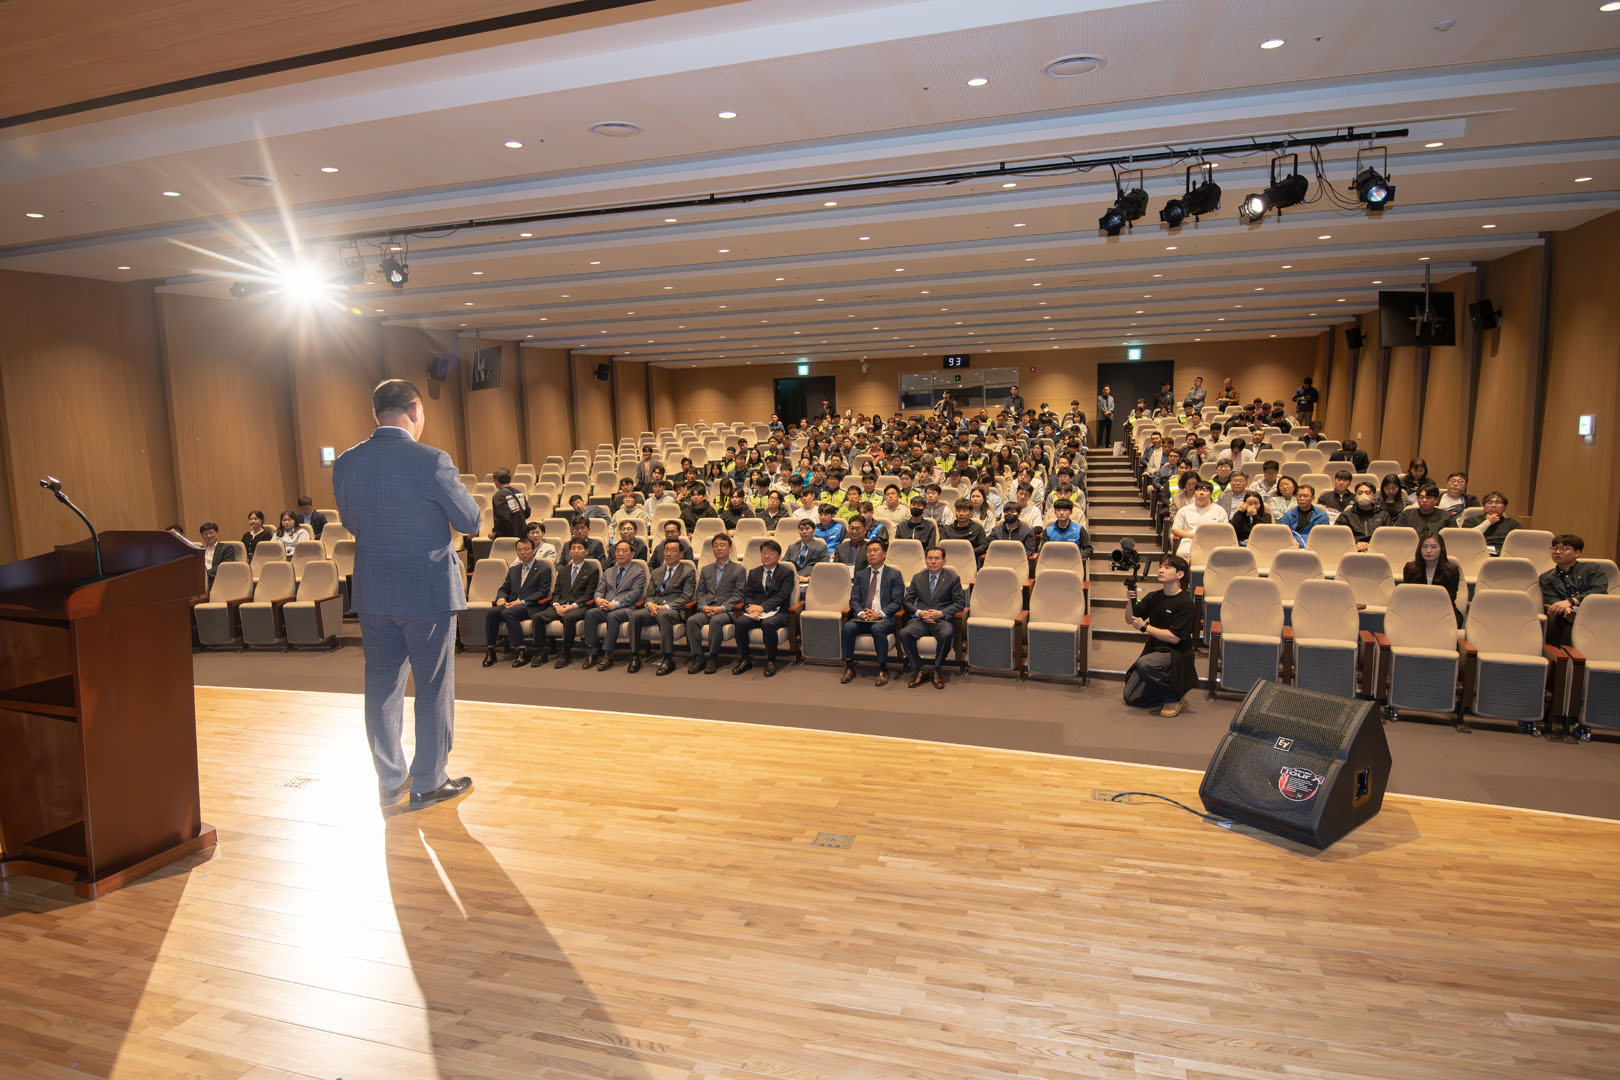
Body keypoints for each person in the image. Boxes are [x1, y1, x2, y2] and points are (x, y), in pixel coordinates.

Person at [333, 378, 480, 810]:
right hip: (427, 589)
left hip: (374, 589)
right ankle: (429, 781)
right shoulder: (432, 460)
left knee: (381, 685)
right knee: (433, 685)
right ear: (415, 410)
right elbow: (470, 520)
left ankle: (390, 780)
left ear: (374, 413)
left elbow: (351, 522)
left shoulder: (346, 462)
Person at [1122, 554, 1198, 717]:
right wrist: (1130, 600)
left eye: (1167, 567)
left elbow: (1175, 638)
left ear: (1180, 574)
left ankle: (1174, 696)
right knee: (1131, 697)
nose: (1161, 570)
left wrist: (1145, 627)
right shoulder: (1153, 597)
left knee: (1145, 664)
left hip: (1176, 653)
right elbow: (1130, 619)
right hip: (1155, 650)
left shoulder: (1186, 603)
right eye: (1160, 566)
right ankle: (1169, 686)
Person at [898, 546, 966, 688]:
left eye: (936, 558)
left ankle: (937, 669)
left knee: (946, 633)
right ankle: (919, 669)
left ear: (944, 561)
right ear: (925, 560)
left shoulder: (953, 578)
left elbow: (960, 603)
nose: (933, 561)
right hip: (921, 619)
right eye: (930, 558)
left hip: (941, 619)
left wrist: (940, 613)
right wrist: (919, 613)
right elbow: (907, 601)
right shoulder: (918, 578)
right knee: (904, 633)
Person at [841, 540, 905, 685]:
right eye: (869, 551)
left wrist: (879, 613)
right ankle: (849, 665)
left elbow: (897, 601)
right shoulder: (861, 575)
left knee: (877, 628)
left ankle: (883, 667)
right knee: (848, 628)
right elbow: (854, 600)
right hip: (864, 617)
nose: (871, 554)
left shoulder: (894, 575)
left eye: (875, 550)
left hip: (884, 618)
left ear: (884, 554)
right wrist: (860, 613)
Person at [482, 536, 552, 667]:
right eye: (519, 550)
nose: (522, 553)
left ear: (534, 550)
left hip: (530, 606)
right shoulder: (514, 569)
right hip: (511, 604)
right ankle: (490, 650)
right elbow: (504, 588)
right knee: (491, 612)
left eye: (526, 549)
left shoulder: (543, 569)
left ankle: (521, 650)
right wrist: (501, 598)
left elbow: (542, 592)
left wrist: (522, 602)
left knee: (508, 613)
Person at [631, 540, 697, 675]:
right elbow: (649, 594)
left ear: (681, 554)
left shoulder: (688, 571)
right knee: (635, 615)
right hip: (655, 607)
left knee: (663, 615)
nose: (669, 553)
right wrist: (650, 604)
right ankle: (634, 656)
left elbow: (686, 597)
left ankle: (668, 658)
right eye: (666, 550)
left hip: (674, 609)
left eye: (673, 550)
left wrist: (666, 607)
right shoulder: (656, 572)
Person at [732, 540, 796, 677]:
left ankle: (771, 660)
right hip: (756, 612)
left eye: (771, 553)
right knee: (740, 622)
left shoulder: (787, 573)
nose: (767, 556)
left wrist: (762, 608)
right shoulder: (754, 572)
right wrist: (750, 609)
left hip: (779, 612)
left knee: (768, 624)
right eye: (764, 553)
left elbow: (782, 595)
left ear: (779, 556)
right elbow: (747, 594)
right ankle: (745, 659)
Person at [686, 534, 746, 673]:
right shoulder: (706, 569)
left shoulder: (739, 569)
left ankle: (713, 657)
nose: (719, 548)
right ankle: (698, 656)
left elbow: (738, 594)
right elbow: (700, 592)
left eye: (722, 545)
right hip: (707, 608)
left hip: (726, 610)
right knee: (692, 620)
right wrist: (703, 606)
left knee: (716, 621)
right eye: (715, 546)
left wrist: (722, 608)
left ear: (730, 548)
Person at [538, 538, 601, 668]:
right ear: (569, 551)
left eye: (579, 548)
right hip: (560, 605)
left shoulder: (592, 570)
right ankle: (542, 651)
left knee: (568, 617)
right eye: (573, 548)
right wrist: (557, 605)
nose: (576, 551)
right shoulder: (563, 571)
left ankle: (566, 653)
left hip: (579, 607)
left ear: (586, 551)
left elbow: (588, 595)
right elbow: (556, 593)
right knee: (538, 617)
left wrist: (571, 607)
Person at [1540, 534, 1609, 647]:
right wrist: (1562, 607)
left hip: (1595, 613)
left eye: (1564, 549)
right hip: (1565, 618)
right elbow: (1551, 598)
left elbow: (1599, 590)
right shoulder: (1546, 578)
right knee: (1567, 623)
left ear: (1577, 553)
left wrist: (1571, 601)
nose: (1557, 552)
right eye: (1554, 548)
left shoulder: (1592, 569)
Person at [1401, 532, 1464, 627]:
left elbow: (1449, 599)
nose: (1428, 550)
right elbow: (1408, 597)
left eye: (1434, 547)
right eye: (1424, 547)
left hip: (1444, 611)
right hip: (1417, 610)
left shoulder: (1452, 571)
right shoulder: (1410, 569)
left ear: (1442, 549)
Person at [1171, 482, 1229, 556]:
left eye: (1205, 490)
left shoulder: (1219, 510)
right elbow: (1175, 529)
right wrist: (1192, 536)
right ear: (1194, 493)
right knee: (1182, 553)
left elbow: (1225, 530)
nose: (1201, 493)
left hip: (1213, 541)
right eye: (1198, 490)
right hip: (1190, 541)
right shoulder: (1184, 510)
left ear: (1211, 494)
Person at [1340, 482, 1389, 550]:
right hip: (1352, 548)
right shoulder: (1346, 515)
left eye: (1367, 493)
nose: (1363, 495)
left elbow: (1389, 535)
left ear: (1374, 496)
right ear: (1355, 496)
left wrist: (1371, 544)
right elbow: (1340, 535)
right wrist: (1356, 543)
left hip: (1378, 548)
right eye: (1360, 493)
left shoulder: (1383, 515)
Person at [941, 497, 989, 562]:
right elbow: (942, 546)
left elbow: (984, 546)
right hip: (950, 558)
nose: (961, 514)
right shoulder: (947, 529)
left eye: (964, 511)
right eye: (958, 510)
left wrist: (970, 552)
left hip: (971, 558)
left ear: (971, 512)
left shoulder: (978, 528)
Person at [1474, 490, 1521, 555]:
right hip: (1479, 553)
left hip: (1505, 554)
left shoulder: (1513, 524)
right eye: (1489, 502)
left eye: (1498, 502)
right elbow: (1469, 537)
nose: (1493, 505)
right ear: (1484, 506)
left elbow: (1518, 544)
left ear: (1505, 507)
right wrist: (1488, 522)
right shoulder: (1472, 520)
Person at [489, 468, 530, 538]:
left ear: (496, 480)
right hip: (522, 533)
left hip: (507, 535)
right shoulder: (519, 493)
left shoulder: (498, 496)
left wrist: (495, 532)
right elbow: (527, 513)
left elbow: (503, 518)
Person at [196, 522, 236, 588]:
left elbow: (225, 566)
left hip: (216, 578)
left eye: (211, 533)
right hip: (200, 579)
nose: (209, 536)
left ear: (217, 533)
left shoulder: (226, 548)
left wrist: (205, 575)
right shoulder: (199, 550)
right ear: (202, 536)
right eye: (206, 534)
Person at [1095, 384, 1115, 449]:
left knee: (1108, 431)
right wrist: (1106, 413)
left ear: (1109, 390)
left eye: (1107, 389)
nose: (1106, 391)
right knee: (1100, 431)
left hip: (1109, 416)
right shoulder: (1099, 398)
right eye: (1105, 389)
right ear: (1102, 390)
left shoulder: (1111, 398)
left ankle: (1107, 444)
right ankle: (1099, 444)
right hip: (1102, 417)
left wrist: (1108, 412)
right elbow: (1100, 407)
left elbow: (1113, 406)